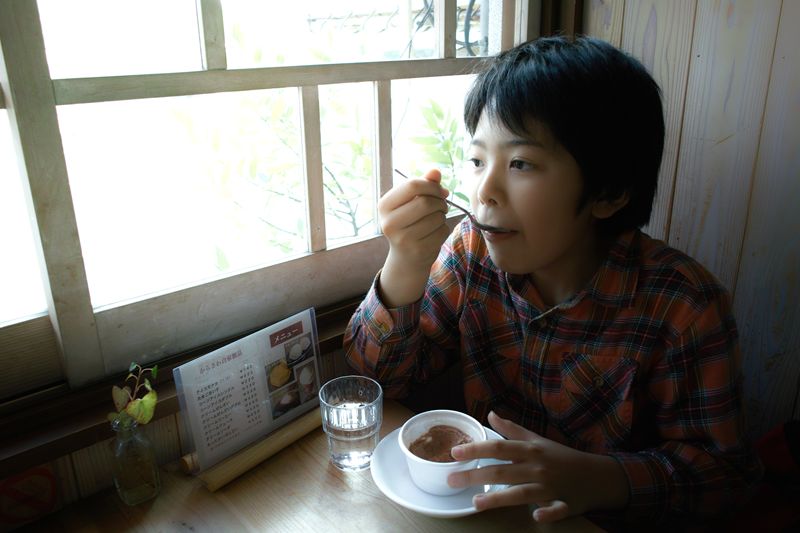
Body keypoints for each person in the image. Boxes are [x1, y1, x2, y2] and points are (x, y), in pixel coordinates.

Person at [343, 36, 762, 529]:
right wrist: (405, 263)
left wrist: (601, 478)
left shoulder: (683, 305)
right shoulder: (471, 253)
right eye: (477, 160)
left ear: (609, 192)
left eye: (520, 163)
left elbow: (724, 478)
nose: (484, 191)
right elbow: (379, 383)